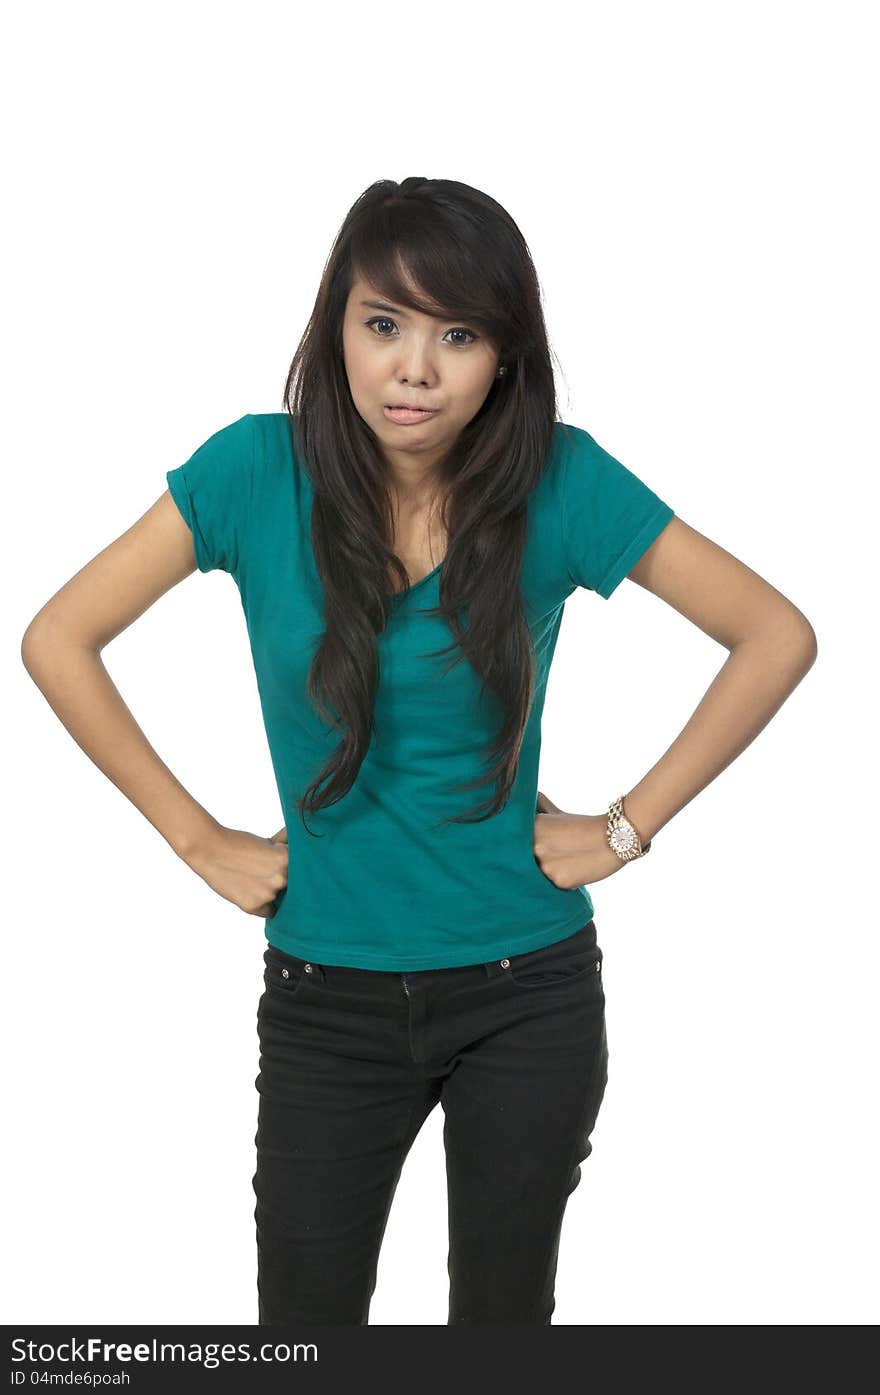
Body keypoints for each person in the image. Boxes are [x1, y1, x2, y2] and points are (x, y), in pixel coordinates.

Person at [20, 176, 818, 1326]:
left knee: (498, 1329)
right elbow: (59, 639)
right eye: (383, 323)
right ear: (333, 325)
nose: (414, 369)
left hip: (524, 987)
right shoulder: (254, 470)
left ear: (504, 354)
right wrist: (195, 839)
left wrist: (624, 828)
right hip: (324, 997)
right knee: (302, 1332)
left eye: (459, 334)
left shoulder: (559, 477)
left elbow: (773, 635)